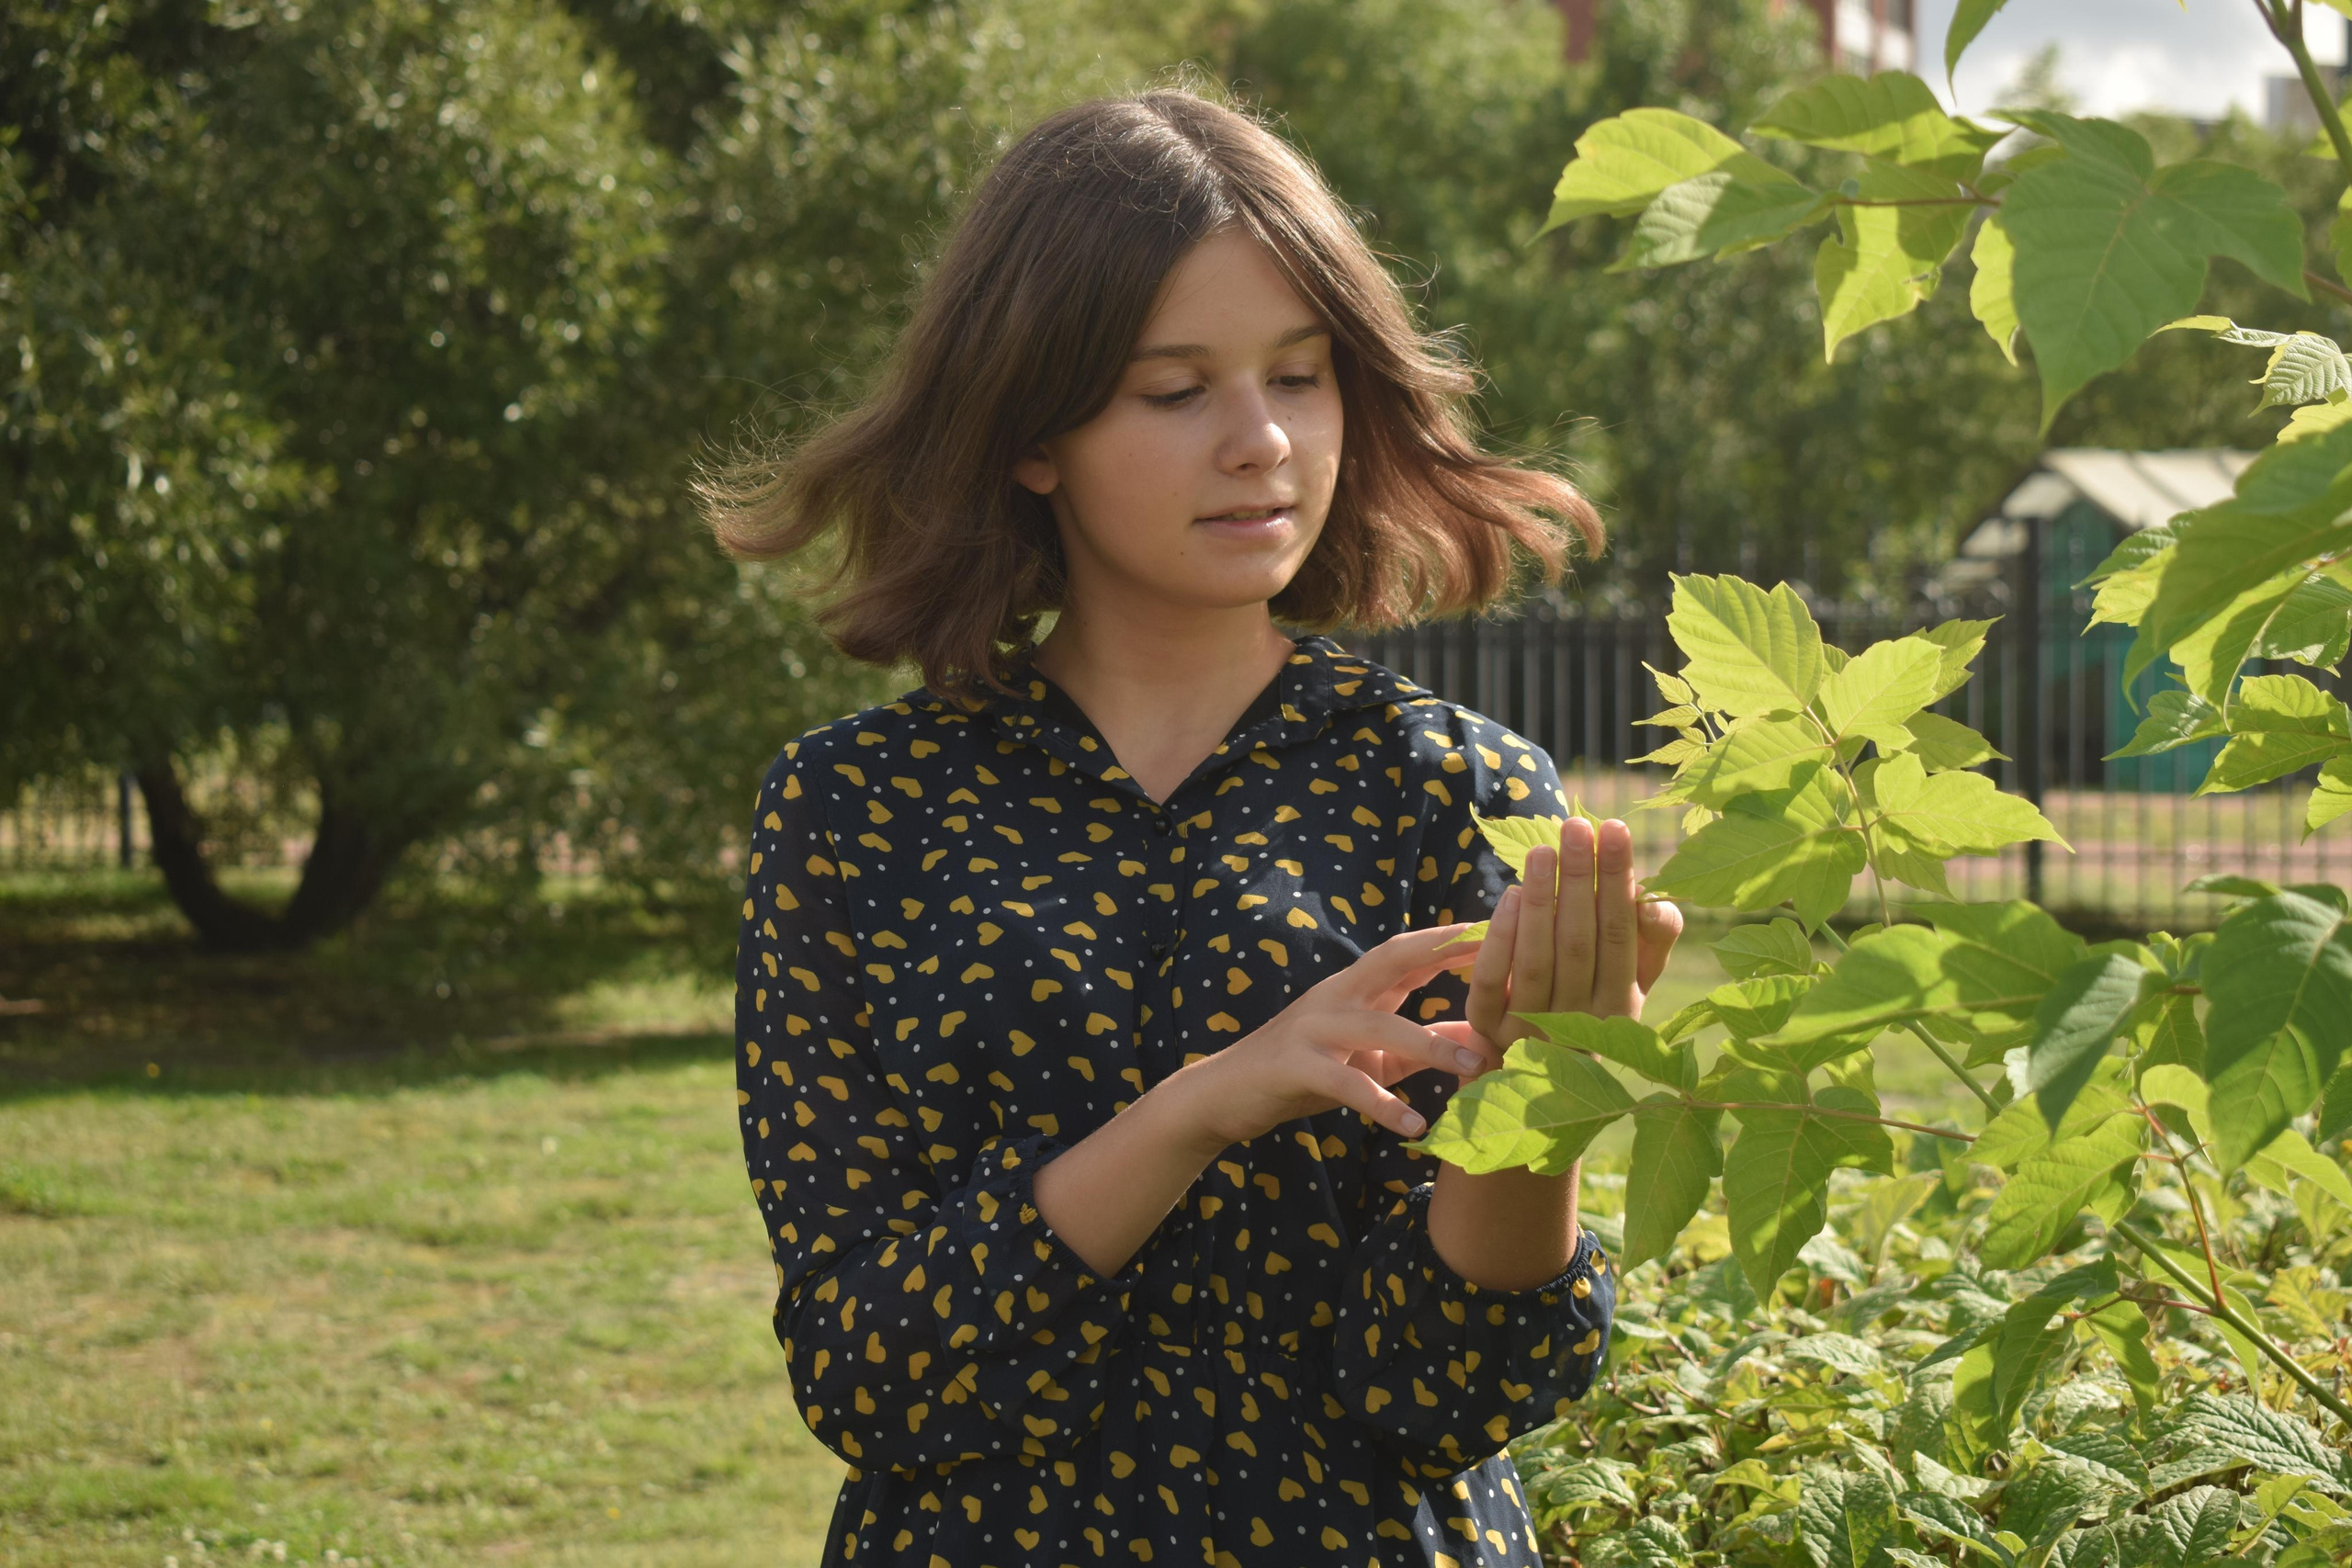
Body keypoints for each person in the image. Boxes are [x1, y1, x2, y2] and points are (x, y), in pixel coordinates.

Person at [703, 85, 1681, 1568]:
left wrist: (1538, 1114)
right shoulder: (853, 814)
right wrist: (1198, 1107)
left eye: (1301, 377)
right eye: (1177, 391)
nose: (1262, 443)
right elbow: (868, 1370)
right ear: (1032, 432)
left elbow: (1448, 1391)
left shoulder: (1453, 789)